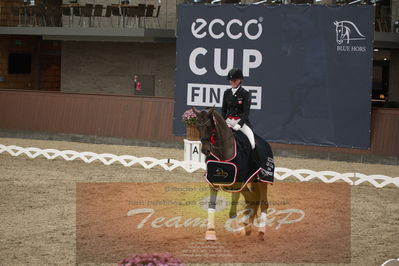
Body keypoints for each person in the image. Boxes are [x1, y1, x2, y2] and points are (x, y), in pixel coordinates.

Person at [222, 68, 256, 150]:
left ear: (240, 80)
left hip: (241, 123)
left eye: (235, 80)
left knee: (252, 144)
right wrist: (223, 122)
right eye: (231, 80)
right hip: (228, 121)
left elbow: (246, 113)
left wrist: (239, 124)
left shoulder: (245, 94)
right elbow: (224, 110)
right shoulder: (227, 93)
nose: (232, 82)